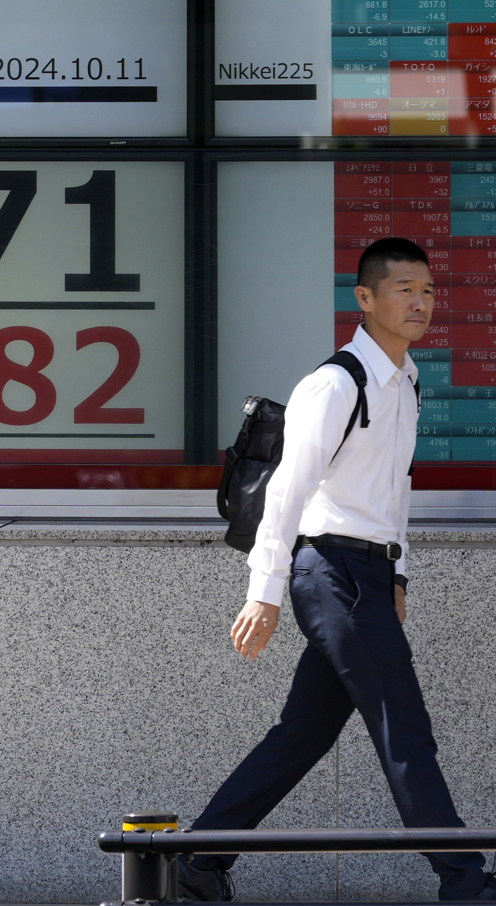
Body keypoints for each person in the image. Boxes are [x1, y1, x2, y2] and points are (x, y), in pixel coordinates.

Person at [178, 237, 496, 902]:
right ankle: (465, 880)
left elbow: (393, 492)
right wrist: (262, 593)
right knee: (402, 724)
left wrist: (399, 575)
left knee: (303, 734)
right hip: (330, 574)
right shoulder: (333, 384)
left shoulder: (405, 382)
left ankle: (198, 860)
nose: (420, 302)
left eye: (428, 290)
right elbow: (287, 494)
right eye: (403, 289)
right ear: (365, 298)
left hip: (368, 577)